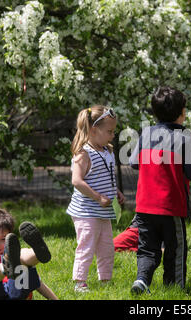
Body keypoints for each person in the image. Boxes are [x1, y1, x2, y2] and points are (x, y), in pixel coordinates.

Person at [129, 86, 191, 294]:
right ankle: (175, 288)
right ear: (182, 112)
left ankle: (142, 280)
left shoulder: (146, 133)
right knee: (175, 249)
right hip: (171, 207)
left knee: (147, 249)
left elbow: (134, 163)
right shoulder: (183, 138)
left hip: (144, 206)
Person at [66, 105, 125, 293]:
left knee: (107, 247)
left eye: (113, 131)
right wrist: (98, 196)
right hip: (86, 212)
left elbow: (106, 176)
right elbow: (76, 181)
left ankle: (105, 280)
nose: (112, 135)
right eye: (109, 131)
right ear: (93, 130)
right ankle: (79, 282)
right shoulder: (84, 153)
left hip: (103, 211)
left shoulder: (107, 150)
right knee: (87, 246)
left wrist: (115, 191)